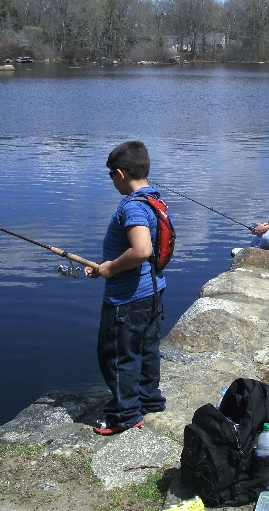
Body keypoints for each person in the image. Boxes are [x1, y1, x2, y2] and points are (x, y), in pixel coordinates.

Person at [84, 141, 167, 435]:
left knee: (118, 355)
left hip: (127, 298)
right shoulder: (153, 200)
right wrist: (105, 265)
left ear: (120, 173)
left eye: (110, 175)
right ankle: (149, 400)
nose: (111, 181)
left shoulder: (132, 206)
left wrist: (109, 268)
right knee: (146, 349)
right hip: (153, 290)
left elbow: (142, 250)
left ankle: (125, 414)